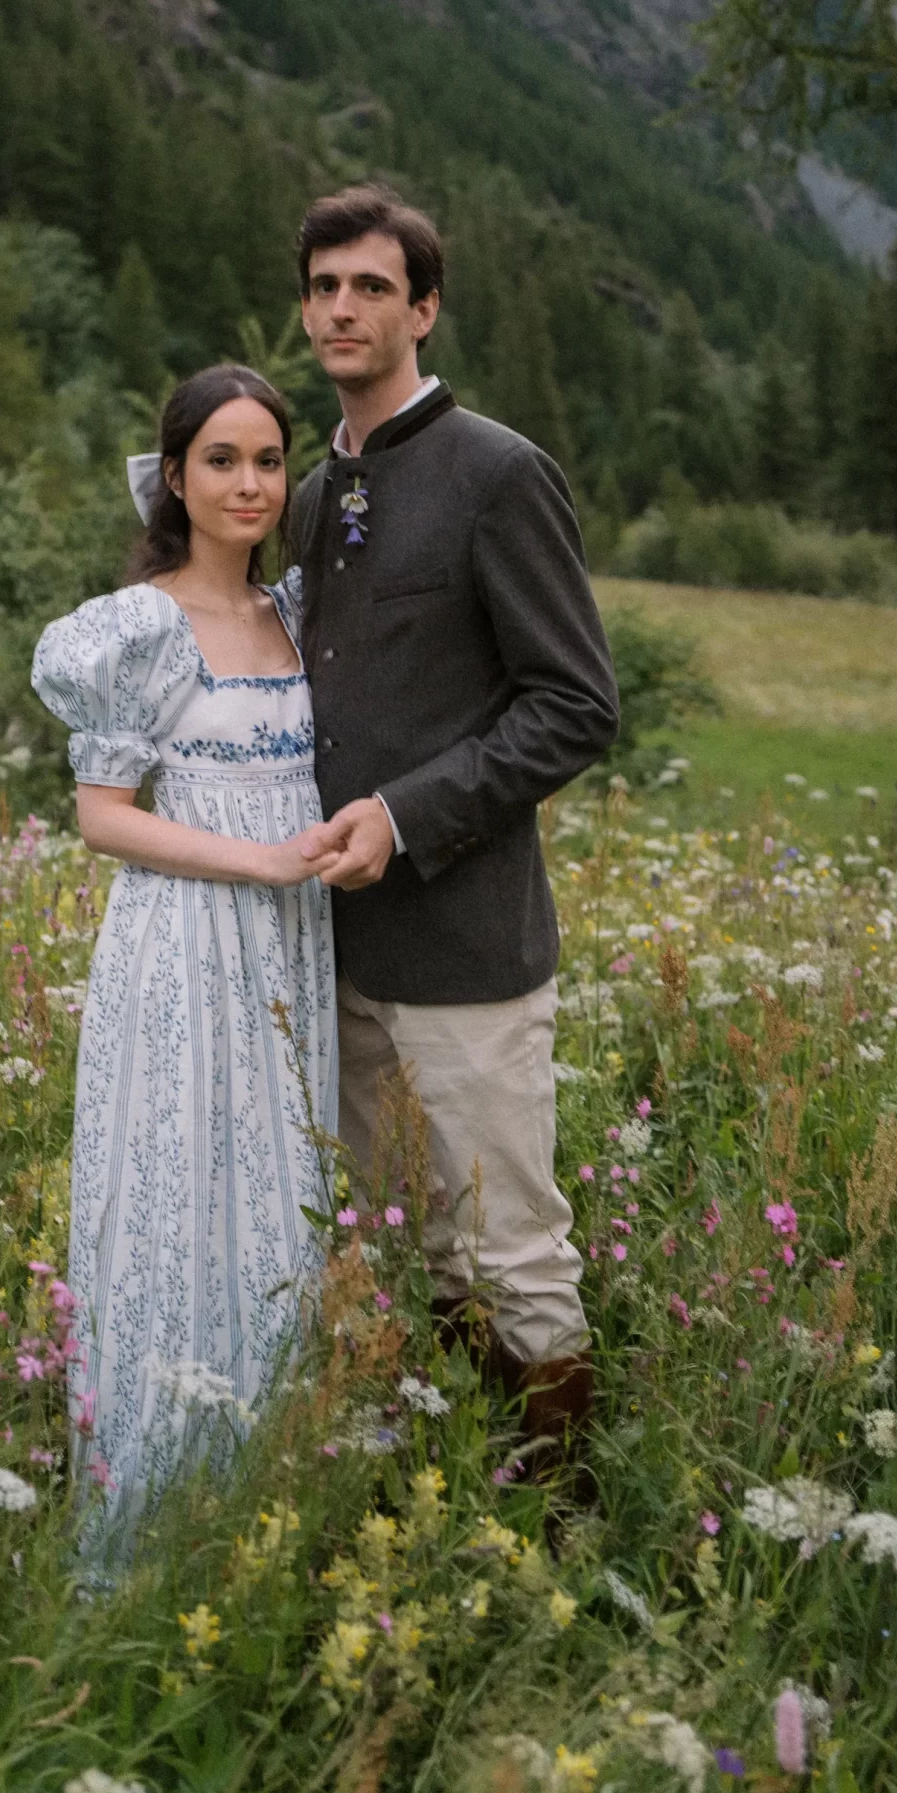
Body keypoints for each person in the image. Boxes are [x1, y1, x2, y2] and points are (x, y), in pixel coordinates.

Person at [292, 184, 619, 1453]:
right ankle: (452, 1483)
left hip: (470, 954)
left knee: (509, 1249)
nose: (342, 307)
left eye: (372, 286)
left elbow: (575, 704)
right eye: (324, 286)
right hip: (339, 954)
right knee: (404, 1244)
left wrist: (407, 813)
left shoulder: (498, 472)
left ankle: (564, 1516)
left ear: (424, 308)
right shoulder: (315, 495)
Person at [31, 364, 336, 1563]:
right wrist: (254, 863)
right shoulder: (139, 626)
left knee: (276, 1202)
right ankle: (148, 1514)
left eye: (269, 460)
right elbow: (101, 814)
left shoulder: (298, 613)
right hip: (182, 942)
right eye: (222, 459)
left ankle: (259, 1497)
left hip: (293, 949)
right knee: (179, 1197)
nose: (250, 483)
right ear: (176, 477)